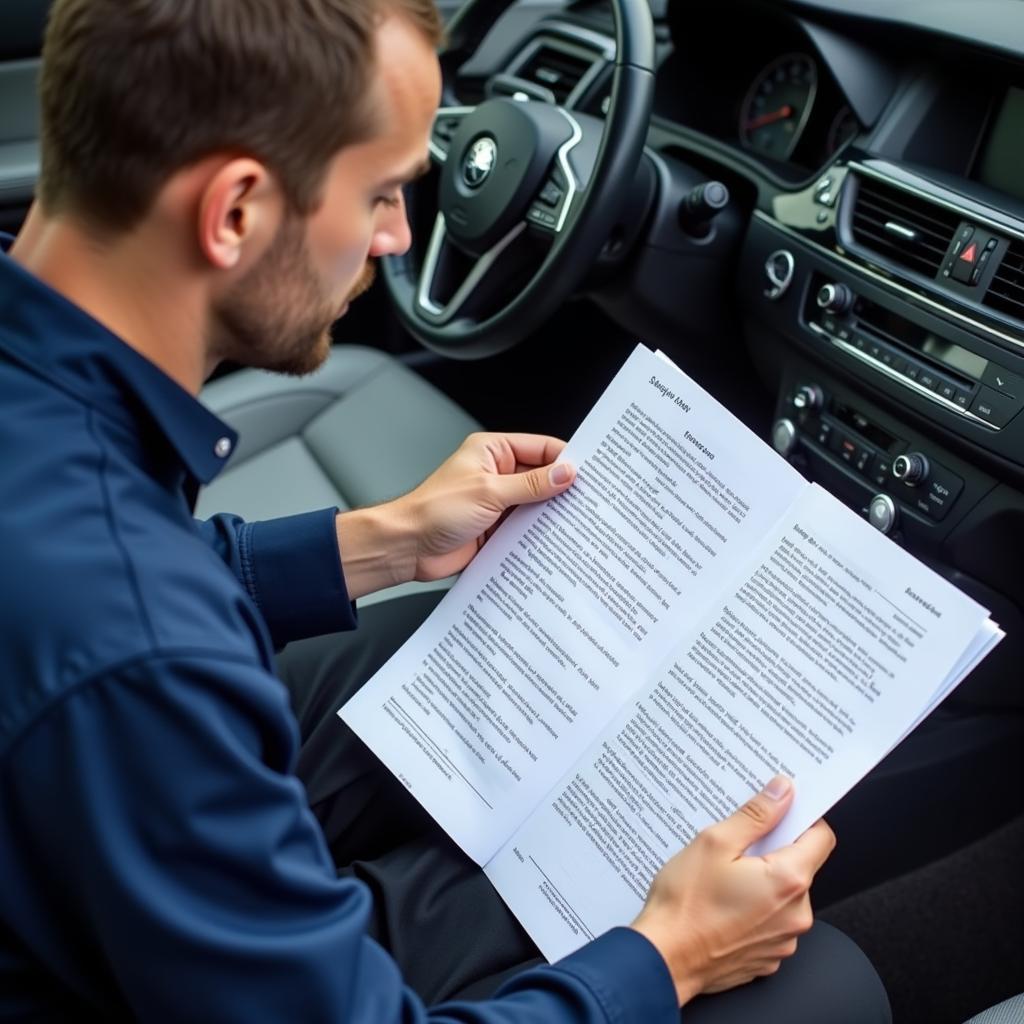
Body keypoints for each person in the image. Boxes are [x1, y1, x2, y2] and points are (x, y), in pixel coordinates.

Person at [0, 0, 890, 1021]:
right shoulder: (142, 652)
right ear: (235, 210)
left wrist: (374, 543)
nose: (398, 236)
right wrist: (666, 955)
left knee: (444, 638)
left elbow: (102, 593)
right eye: (381, 192)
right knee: (825, 984)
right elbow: (127, 640)